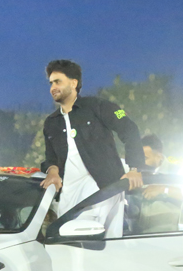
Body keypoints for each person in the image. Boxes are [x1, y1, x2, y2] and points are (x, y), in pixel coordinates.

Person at [40, 59, 145, 235]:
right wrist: (52, 171)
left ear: (73, 83)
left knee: (85, 237)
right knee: (73, 243)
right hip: (68, 196)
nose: (53, 87)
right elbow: (51, 158)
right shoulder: (51, 123)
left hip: (102, 190)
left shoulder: (99, 106)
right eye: (51, 83)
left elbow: (129, 128)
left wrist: (134, 169)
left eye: (58, 82)